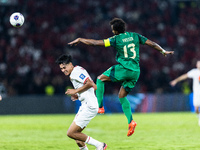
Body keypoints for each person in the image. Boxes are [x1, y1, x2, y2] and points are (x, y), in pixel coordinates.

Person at [68, 18, 174, 136]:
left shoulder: (115, 39)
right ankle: (131, 121)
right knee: (122, 96)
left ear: (115, 31)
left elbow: (96, 43)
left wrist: (81, 39)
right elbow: (152, 44)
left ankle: (100, 106)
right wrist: (163, 51)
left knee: (99, 79)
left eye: (112, 30)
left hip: (124, 68)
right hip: (135, 72)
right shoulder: (135, 36)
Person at [56, 54, 107, 150]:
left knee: (71, 133)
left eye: (64, 67)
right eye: (61, 69)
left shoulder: (76, 72)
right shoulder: (78, 70)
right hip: (86, 105)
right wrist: (78, 95)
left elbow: (90, 84)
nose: (63, 70)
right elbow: (94, 87)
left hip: (89, 106)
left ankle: (100, 145)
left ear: (70, 64)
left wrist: (75, 91)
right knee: (77, 136)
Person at [170, 60, 200, 126]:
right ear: (196, 65)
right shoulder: (194, 72)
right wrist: (175, 80)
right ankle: (199, 117)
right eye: (198, 64)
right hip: (197, 93)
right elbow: (185, 76)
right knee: (196, 108)